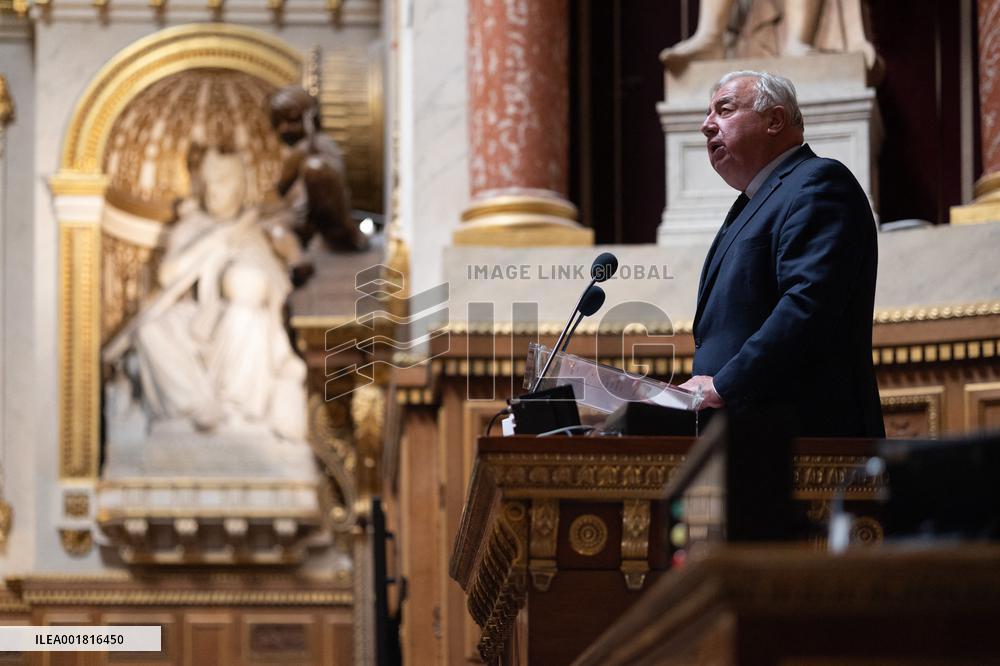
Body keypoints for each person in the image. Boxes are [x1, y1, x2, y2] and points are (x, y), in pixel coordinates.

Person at [678, 70, 884, 438]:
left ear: (775, 119)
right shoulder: (752, 204)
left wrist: (723, 385)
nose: (706, 126)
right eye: (708, 114)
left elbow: (807, 306)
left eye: (723, 110)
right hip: (746, 438)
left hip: (805, 440)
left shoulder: (818, 183)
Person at [269, 85, 368, 252]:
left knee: (315, 168)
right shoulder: (290, 150)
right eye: (278, 122)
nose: (284, 128)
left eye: (293, 120)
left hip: (334, 234)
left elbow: (280, 189)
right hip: (301, 225)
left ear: (311, 118)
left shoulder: (316, 145)